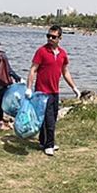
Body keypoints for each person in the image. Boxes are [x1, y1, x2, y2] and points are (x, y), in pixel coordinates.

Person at [26, 25, 80, 156]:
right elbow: (33, 69)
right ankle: (49, 145)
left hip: (55, 91)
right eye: (48, 36)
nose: (50, 38)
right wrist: (28, 88)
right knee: (49, 119)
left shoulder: (62, 54)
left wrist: (74, 88)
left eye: (53, 37)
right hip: (42, 92)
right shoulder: (41, 51)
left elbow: (65, 72)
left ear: (60, 38)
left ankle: (43, 141)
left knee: (52, 118)